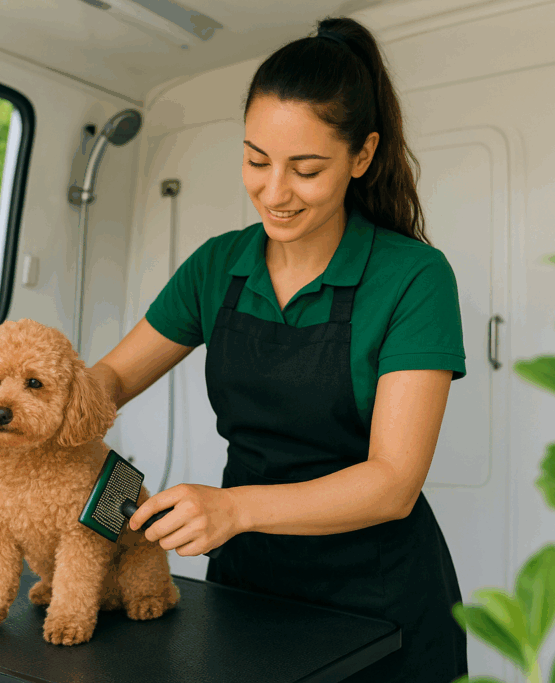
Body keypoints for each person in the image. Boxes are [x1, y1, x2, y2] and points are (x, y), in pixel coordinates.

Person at [87, 15, 468, 682]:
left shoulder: (413, 277)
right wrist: (31, 407)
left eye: (306, 169)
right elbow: (112, 378)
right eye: (256, 160)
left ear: (362, 156)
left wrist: (233, 508)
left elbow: (393, 483)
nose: (274, 191)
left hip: (378, 601)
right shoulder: (217, 266)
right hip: (247, 587)